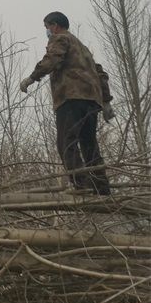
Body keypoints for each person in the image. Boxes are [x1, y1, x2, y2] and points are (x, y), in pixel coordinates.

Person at [20, 11, 113, 195]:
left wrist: (31, 78)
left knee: (66, 142)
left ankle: (81, 185)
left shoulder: (60, 38)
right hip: (91, 101)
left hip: (71, 97)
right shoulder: (82, 48)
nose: (47, 32)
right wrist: (107, 102)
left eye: (47, 27)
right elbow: (100, 73)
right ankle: (101, 187)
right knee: (89, 144)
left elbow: (52, 59)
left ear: (54, 25)